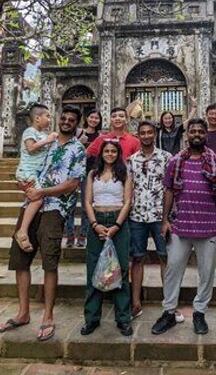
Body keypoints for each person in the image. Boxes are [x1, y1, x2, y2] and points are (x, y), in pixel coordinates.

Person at [0, 105, 86, 341]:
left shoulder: (78, 149)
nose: (66, 122)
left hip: (55, 208)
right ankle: (23, 312)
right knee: (20, 259)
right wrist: (24, 185)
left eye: (71, 119)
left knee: (49, 262)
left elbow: (72, 184)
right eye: (64, 118)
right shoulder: (46, 142)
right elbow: (29, 165)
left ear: (77, 123)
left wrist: (43, 192)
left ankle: (48, 316)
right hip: (30, 204)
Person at [151, 119, 216, 336]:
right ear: (187, 134)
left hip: (209, 227)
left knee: (206, 273)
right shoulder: (176, 161)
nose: (196, 134)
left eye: (200, 131)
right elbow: (168, 192)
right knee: (172, 269)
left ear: (206, 135)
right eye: (193, 131)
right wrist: (165, 220)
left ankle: (199, 312)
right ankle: (168, 311)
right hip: (180, 225)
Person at [80, 139, 134, 336]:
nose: (110, 154)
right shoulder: (92, 174)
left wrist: (117, 225)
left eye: (113, 151)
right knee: (93, 269)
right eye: (106, 151)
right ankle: (92, 318)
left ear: (118, 154)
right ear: (101, 153)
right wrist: (94, 224)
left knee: (121, 269)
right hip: (97, 221)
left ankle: (123, 318)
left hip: (118, 221)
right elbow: (87, 201)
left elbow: (128, 202)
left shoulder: (124, 174)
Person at [127, 120, 173, 319]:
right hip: (136, 215)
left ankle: (169, 302)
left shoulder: (166, 158)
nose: (146, 136)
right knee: (137, 258)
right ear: (138, 135)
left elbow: (171, 188)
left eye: (149, 132)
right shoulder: (131, 161)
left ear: (155, 134)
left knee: (165, 257)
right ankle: (136, 302)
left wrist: (167, 218)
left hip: (159, 215)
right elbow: (128, 188)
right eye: (142, 133)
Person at [13, 103, 58, 252]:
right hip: (27, 171)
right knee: (38, 198)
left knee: (33, 199)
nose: (50, 119)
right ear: (37, 118)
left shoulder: (44, 135)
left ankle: (23, 231)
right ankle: (22, 231)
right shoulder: (29, 131)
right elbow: (31, 148)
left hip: (37, 174)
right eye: (47, 116)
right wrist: (48, 140)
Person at [65, 109, 103, 248]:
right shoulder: (77, 132)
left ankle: (83, 235)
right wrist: (79, 142)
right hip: (73, 172)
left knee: (87, 205)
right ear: (87, 118)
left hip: (90, 173)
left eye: (96, 118)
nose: (93, 120)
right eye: (91, 117)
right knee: (70, 204)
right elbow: (67, 150)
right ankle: (69, 235)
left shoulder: (100, 137)